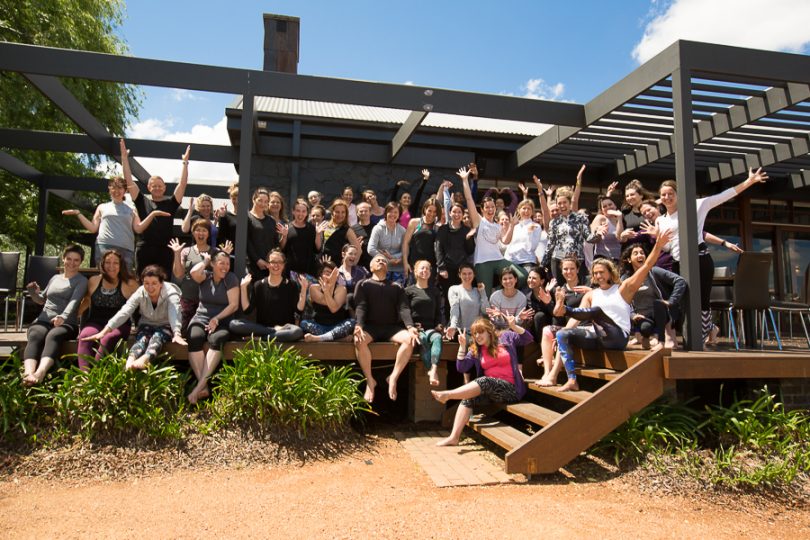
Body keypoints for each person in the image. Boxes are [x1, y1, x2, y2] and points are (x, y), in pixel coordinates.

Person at [547, 228, 674, 392]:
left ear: (610, 272)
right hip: (599, 338)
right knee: (562, 333)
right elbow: (576, 319)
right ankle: (572, 380)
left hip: (618, 337)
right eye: (595, 273)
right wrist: (565, 327)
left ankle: (566, 308)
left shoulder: (624, 288)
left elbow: (647, 265)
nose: (598, 276)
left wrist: (658, 245)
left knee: (597, 311)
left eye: (601, 272)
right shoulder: (591, 294)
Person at [654, 168, 768, 343]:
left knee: (701, 300)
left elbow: (724, 195)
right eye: (663, 194)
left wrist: (750, 181)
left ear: (678, 194)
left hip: (699, 259)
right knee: (683, 302)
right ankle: (707, 330)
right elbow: (669, 247)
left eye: (671, 193)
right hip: (678, 263)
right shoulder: (661, 220)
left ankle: (699, 337)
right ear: (659, 197)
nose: (667, 197)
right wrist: (657, 238)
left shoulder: (696, 206)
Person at [431, 315, 532, 447]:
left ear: (489, 331)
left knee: (485, 381)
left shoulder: (506, 337)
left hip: (511, 389)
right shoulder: (475, 349)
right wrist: (462, 347)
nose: (478, 336)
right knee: (468, 398)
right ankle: (454, 437)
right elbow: (462, 367)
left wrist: (514, 327)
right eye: (475, 333)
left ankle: (448, 395)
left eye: (481, 332)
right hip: (490, 391)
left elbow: (528, 338)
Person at [83, 265, 185, 371]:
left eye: (154, 283)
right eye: (146, 283)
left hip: (166, 325)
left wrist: (177, 333)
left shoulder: (171, 292)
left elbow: (175, 312)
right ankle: (130, 361)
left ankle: (145, 359)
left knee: (157, 337)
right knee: (142, 338)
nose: (150, 287)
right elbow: (125, 311)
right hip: (147, 324)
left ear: (161, 283)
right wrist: (105, 331)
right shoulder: (140, 291)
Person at [63, 175, 169, 270]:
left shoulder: (132, 209)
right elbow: (92, 228)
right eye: (113, 187)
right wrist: (78, 214)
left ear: (125, 190)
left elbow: (138, 228)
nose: (116, 190)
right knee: (104, 278)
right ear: (109, 189)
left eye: (120, 188)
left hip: (126, 249)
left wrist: (152, 215)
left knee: (125, 279)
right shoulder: (102, 207)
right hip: (104, 247)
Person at [352, 254, 420, 402]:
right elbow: (361, 307)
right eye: (378, 260)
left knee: (410, 339)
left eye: (384, 260)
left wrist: (410, 327)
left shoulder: (396, 286)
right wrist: (359, 326)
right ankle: (370, 380)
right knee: (359, 340)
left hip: (391, 328)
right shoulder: (363, 284)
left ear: (387, 267)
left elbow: (404, 308)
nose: (381, 261)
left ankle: (393, 377)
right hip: (371, 327)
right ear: (371, 267)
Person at [21, 245, 89, 385]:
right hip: (44, 319)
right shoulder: (55, 278)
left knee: (54, 335)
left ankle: (40, 373)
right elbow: (41, 299)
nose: (72, 262)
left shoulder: (81, 281)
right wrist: (33, 292)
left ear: (81, 262)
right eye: (68, 259)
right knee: (35, 334)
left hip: (66, 323)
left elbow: (74, 302)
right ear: (63, 259)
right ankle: (28, 374)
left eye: (76, 260)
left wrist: (62, 317)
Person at [123, 140, 189, 276]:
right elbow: (129, 182)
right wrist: (124, 158)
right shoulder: (142, 201)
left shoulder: (171, 203)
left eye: (160, 185)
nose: (157, 188)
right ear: (149, 188)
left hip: (165, 250)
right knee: (143, 282)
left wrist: (185, 163)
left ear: (164, 187)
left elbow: (182, 185)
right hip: (144, 249)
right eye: (154, 186)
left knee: (164, 284)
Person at [186, 251, 240, 404]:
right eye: (221, 263)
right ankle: (202, 387)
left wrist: (216, 318)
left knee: (216, 339)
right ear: (213, 264)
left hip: (222, 320)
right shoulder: (206, 276)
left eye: (228, 263)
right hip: (201, 318)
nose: (225, 267)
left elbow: (234, 305)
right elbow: (193, 272)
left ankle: (198, 390)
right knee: (194, 338)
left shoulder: (230, 278)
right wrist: (205, 261)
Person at [76, 249, 138, 369]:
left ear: (121, 265)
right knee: (85, 336)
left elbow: (140, 305)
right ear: (103, 264)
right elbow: (87, 301)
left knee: (107, 338)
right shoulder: (94, 281)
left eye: (115, 263)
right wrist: (74, 316)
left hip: (119, 325)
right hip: (95, 322)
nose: (111, 266)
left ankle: (96, 373)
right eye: (108, 262)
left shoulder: (130, 283)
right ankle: (84, 376)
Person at [458, 165, 513, 295]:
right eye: (487, 207)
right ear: (482, 210)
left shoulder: (498, 225)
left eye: (492, 207)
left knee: (521, 277)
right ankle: (486, 313)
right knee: (485, 295)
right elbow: (469, 199)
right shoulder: (479, 221)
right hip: (482, 262)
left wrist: (512, 225)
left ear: (495, 208)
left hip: (498, 260)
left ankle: (498, 292)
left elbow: (505, 241)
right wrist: (465, 180)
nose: (490, 209)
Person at [169, 219, 230, 336]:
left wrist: (224, 255)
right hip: (188, 298)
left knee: (206, 333)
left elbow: (223, 273)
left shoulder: (215, 252)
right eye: (198, 230)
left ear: (208, 234)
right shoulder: (186, 251)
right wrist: (177, 253)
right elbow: (178, 274)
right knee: (182, 332)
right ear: (193, 233)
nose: (201, 233)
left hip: (208, 301)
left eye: (204, 231)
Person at [620, 243, 687, 349]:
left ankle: (661, 342)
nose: (640, 256)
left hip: (661, 313)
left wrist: (671, 301)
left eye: (642, 253)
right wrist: (632, 315)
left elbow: (680, 281)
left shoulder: (654, 271)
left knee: (658, 304)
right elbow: (621, 300)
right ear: (629, 259)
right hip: (643, 316)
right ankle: (645, 336)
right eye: (635, 253)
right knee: (645, 327)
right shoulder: (626, 278)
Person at [229, 249, 305, 342]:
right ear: (268, 264)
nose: (276, 265)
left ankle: (261, 338)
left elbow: (299, 310)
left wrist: (304, 290)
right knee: (234, 324)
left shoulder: (291, 285)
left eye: (280, 262)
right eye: (273, 262)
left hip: (285, 330)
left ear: (284, 265)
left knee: (297, 331)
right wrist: (243, 288)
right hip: (262, 328)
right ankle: (270, 332)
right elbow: (247, 310)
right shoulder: (259, 285)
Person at [536, 257, 590, 386]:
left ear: (577, 269)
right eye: (565, 269)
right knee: (547, 330)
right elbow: (558, 315)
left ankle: (553, 376)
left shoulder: (587, 284)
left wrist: (591, 291)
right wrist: (552, 302)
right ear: (561, 271)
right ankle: (547, 372)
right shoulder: (560, 289)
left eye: (572, 268)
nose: (569, 271)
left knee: (562, 335)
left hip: (586, 327)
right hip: (569, 326)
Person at [405, 260, 444, 386]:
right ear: (415, 272)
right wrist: (410, 326)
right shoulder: (408, 291)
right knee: (422, 340)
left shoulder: (435, 291)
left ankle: (433, 370)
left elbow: (439, 311)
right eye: (422, 268)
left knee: (437, 338)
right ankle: (430, 370)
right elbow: (404, 312)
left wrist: (439, 324)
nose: (425, 271)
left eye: (427, 269)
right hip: (416, 329)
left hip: (431, 328)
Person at [541, 186, 590, 284]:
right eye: (559, 203)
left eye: (564, 202)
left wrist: (598, 234)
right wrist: (542, 264)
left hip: (577, 260)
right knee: (558, 288)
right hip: (557, 260)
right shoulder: (554, 222)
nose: (562, 205)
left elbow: (588, 237)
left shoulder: (581, 218)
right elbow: (550, 245)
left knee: (578, 289)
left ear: (569, 203)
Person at [435, 201, 474, 317]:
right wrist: (441, 267)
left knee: (462, 297)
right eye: (454, 212)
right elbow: (438, 249)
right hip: (447, 268)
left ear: (462, 214)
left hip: (462, 270)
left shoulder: (466, 230)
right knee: (449, 299)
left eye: (459, 212)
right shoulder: (443, 229)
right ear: (449, 213)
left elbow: (470, 251)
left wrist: (469, 239)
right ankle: (449, 325)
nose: (456, 214)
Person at [300, 261, 355, 342]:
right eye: (327, 272)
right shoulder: (314, 288)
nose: (329, 275)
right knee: (304, 323)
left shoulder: (342, 289)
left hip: (337, 326)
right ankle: (337, 338)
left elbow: (333, 308)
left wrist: (330, 287)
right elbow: (326, 302)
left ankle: (320, 338)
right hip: (319, 325)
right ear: (321, 274)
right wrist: (326, 289)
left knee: (352, 322)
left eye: (332, 273)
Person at [503, 198, 544, 287]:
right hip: (511, 261)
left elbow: (532, 248)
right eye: (524, 208)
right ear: (518, 210)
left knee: (525, 286)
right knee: (510, 286)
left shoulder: (536, 226)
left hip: (527, 261)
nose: (526, 211)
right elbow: (506, 242)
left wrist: (529, 233)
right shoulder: (515, 225)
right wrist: (512, 226)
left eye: (529, 209)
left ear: (532, 211)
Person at [445, 264, 490, 341]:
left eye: (470, 273)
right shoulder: (454, 289)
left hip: (477, 330)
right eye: (464, 274)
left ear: (474, 274)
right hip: (461, 331)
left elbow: (485, 311)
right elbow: (454, 309)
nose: (467, 276)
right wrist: (453, 326)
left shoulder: (478, 291)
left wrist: (482, 292)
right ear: (459, 275)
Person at [367, 201, 407, 285]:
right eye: (390, 211)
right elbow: (370, 249)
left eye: (395, 212)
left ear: (399, 214)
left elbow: (405, 250)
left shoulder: (403, 230)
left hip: (398, 270)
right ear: (385, 213)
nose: (393, 214)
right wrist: (387, 260)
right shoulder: (377, 228)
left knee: (396, 295)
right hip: (381, 268)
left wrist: (393, 257)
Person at [402, 198, 441, 282]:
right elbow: (406, 243)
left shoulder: (437, 226)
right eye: (430, 210)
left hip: (431, 267)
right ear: (424, 209)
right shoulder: (415, 222)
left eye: (435, 212)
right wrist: (405, 263)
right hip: (414, 266)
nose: (432, 214)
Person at [281, 199, 320, 279]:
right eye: (298, 211)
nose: (300, 214)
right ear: (293, 211)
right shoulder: (287, 227)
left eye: (303, 211)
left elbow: (317, 249)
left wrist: (318, 234)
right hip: (291, 271)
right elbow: (282, 249)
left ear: (307, 213)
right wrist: (284, 236)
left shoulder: (312, 228)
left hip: (309, 270)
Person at [246, 187, 279, 280]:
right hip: (252, 266)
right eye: (260, 200)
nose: (263, 204)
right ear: (253, 199)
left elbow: (275, 242)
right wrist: (257, 260)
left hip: (269, 266)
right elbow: (247, 242)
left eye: (266, 201)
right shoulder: (247, 218)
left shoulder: (271, 220)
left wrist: (273, 261)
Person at [318, 199, 361, 267]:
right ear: (332, 212)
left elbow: (358, 250)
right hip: (322, 265)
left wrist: (350, 267)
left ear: (346, 214)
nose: (340, 215)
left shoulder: (347, 230)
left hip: (337, 266)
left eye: (343, 212)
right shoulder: (325, 225)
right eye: (337, 212)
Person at [523, 265, 555, 344]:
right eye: (529, 277)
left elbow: (556, 313)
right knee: (539, 316)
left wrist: (547, 302)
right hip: (539, 329)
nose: (530, 280)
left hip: (553, 324)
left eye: (534, 278)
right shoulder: (528, 297)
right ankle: (543, 348)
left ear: (542, 281)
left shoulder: (551, 292)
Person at [587, 195, 623, 263]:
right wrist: (598, 233)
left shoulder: (619, 220)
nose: (608, 207)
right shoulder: (600, 218)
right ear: (602, 210)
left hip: (617, 259)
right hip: (602, 259)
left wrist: (620, 218)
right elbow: (591, 238)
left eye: (610, 204)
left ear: (615, 206)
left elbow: (620, 238)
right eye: (604, 206)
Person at [337, 243, 369, 308]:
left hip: (361, 305)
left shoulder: (362, 270)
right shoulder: (337, 272)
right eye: (351, 253)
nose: (353, 256)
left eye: (355, 254)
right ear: (343, 254)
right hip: (343, 307)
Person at [216, 181, 239, 249]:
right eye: (234, 199)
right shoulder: (225, 216)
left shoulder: (248, 216)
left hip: (246, 256)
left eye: (239, 198)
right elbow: (221, 237)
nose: (236, 201)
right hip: (230, 254)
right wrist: (224, 250)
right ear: (231, 199)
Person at [351, 201, 374, 269]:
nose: (363, 213)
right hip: (358, 265)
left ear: (370, 212)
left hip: (374, 264)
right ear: (357, 213)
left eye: (366, 211)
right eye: (361, 211)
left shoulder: (377, 228)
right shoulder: (352, 230)